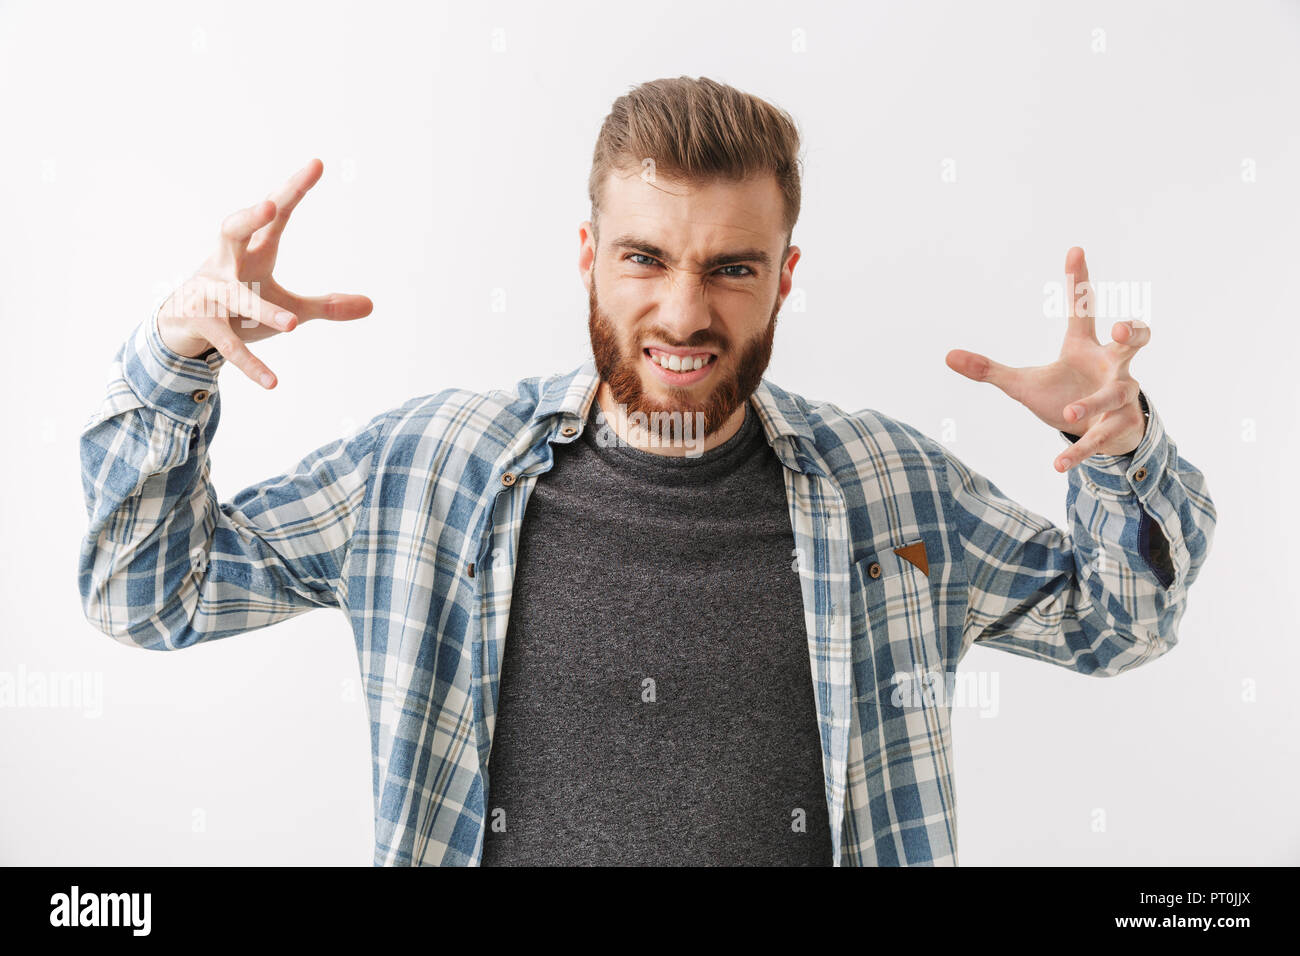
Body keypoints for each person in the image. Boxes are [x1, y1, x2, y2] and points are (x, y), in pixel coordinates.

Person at [78, 76, 1216, 866]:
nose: (683, 311)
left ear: (784, 274)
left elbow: (1122, 624)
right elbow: (146, 594)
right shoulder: (425, 473)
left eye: (730, 267)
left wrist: (1116, 455)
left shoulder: (891, 490)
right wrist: (175, 360)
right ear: (587, 253)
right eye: (643, 257)